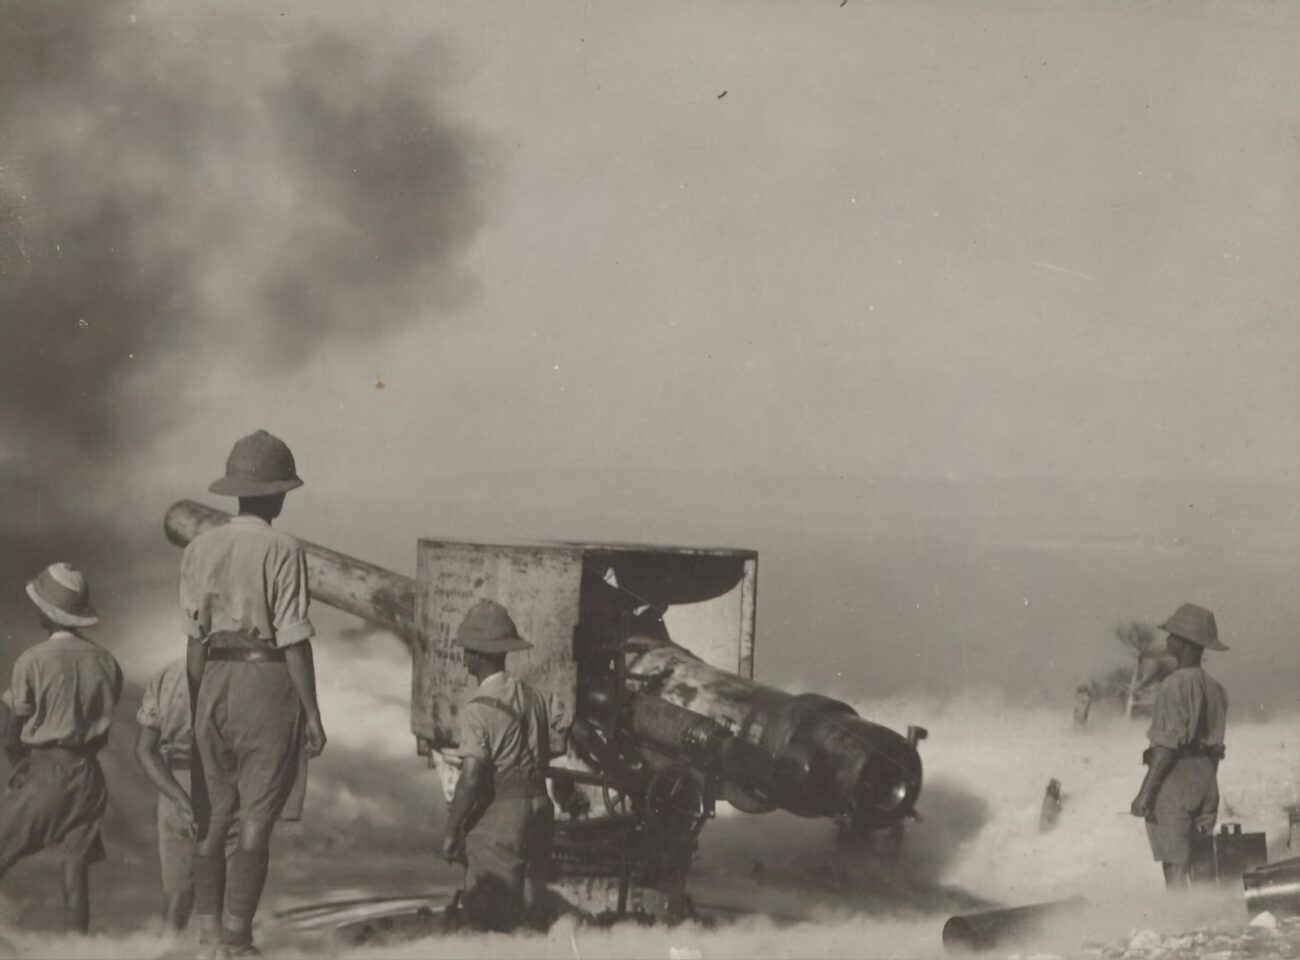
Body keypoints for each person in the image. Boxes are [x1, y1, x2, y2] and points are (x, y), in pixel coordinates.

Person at [181, 429, 327, 957]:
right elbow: (292, 637)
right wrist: (312, 713)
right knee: (256, 822)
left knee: (213, 817)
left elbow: (194, 641)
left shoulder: (200, 546)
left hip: (212, 679)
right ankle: (238, 943)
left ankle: (206, 940)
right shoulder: (284, 549)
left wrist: (194, 705)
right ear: (278, 495)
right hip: (267, 684)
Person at [0, 563, 124, 933]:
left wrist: (20, 767)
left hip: (46, 772)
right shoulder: (106, 661)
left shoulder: (32, 660)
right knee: (75, 872)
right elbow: (102, 730)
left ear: (46, 611)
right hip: (89, 777)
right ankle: (77, 949)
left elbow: (11, 730)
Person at [440, 599, 555, 932]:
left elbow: (473, 776)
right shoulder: (534, 697)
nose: (463, 657)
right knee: (530, 919)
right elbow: (543, 757)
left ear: (477, 655)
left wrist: (452, 831)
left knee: (491, 927)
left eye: (466, 651)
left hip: (503, 817)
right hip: (540, 809)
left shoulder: (477, 709)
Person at [1129, 602, 1229, 890]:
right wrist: (1205, 784)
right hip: (1206, 783)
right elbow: (1216, 750)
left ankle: (1181, 924)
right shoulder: (1216, 689)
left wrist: (1144, 795)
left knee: (1175, 866)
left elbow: (1165, 749)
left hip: (1175, 783)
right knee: (1202, 865)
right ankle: (1205, 924)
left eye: (1173, 635)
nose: (1168, 639)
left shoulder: (1173, 685)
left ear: (1187, 643)